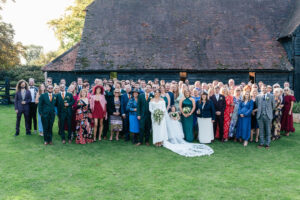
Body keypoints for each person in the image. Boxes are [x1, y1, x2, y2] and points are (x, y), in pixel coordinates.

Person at [256, 85, 275, 149]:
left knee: (268, 130)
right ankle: (261, 143)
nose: (264, 89)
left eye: (265, 88)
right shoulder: (258, 96)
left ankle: (267, 143)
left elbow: (273, 106)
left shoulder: (271, 96)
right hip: (260, 115)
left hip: (268, 115)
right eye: (262, 88)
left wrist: (268, 111)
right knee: (261, 130)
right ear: (260, 89)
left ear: (267, 89)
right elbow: (257, 104)